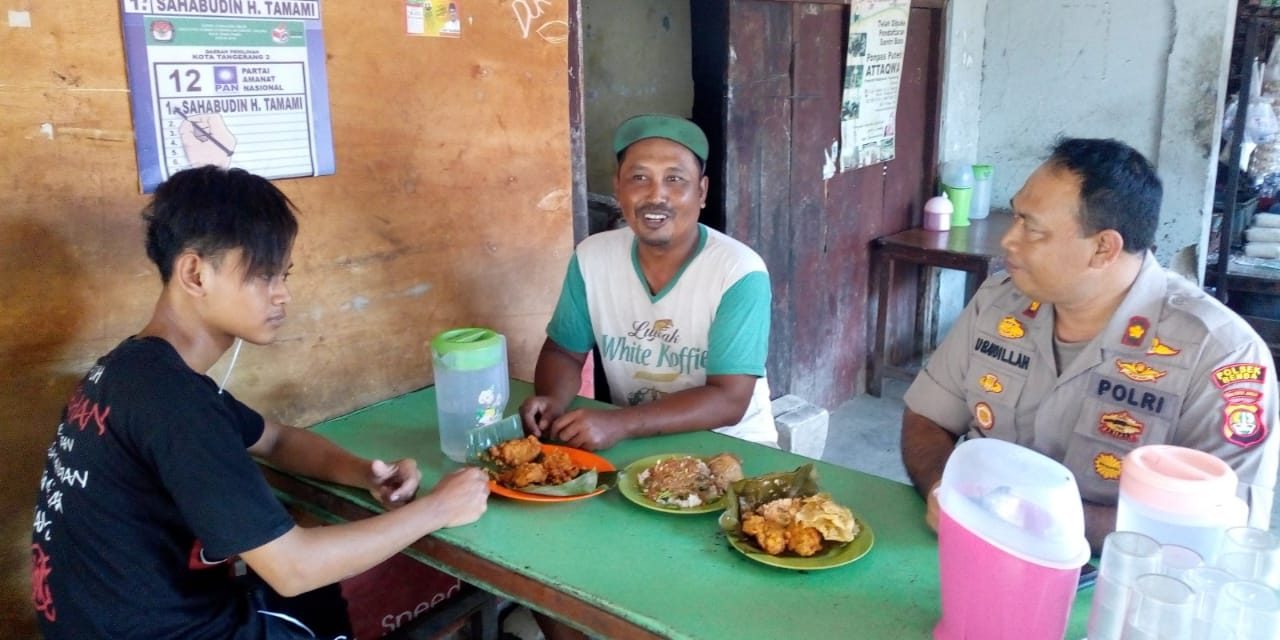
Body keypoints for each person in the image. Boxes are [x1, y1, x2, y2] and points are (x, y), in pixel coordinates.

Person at [30, 166, 490, 639]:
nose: (283, 294)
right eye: (263, 275)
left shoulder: (135, 370)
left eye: (283, 274)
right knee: (309, 588)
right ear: (195, 273)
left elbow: (273, 439)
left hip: (111, 621)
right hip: (170, 630)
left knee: (315, 599)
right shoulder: (174, 404)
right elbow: (292, 567)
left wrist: (364, 472)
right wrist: (438, 509)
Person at [901, 138, 1278, 552]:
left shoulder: (1220, 353)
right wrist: (943, 488)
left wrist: (1034, 521)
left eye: (1032, 228)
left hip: (1116, 577)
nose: (1009, 239)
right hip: (975, 546)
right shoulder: (998, 301)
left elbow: (1223, 527)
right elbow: (927, 416)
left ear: (1103, 248)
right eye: (1016, 217)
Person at [519, 113, 778, 451]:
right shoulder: (592, 258)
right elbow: (564, 351)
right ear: (618, 188)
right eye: (639, 177)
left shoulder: (739, 273)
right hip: (636, 443)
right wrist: (553, 399)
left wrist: (620, 422)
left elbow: (729, 399)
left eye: (675, 179)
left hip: (732, 447)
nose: (656, 195)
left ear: (701, 192)